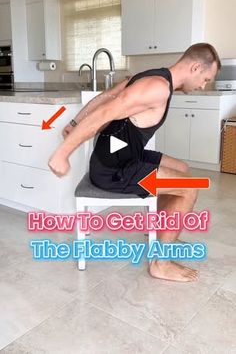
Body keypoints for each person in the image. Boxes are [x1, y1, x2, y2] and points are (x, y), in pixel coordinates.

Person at [48, 43, 221, 282]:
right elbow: (104, 112)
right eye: (205, 79)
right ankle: (160, 263)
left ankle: (161, 233)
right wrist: (62, 153)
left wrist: (74, 123)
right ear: (195, 67)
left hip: (124, 156)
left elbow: (106, 96)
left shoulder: (151, 76)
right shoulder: (157, 88)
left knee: (182, 169)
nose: (203, 86)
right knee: (190, 186)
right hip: (114, 170)